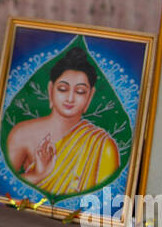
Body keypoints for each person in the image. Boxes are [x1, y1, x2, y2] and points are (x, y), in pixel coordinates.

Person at [7, 46, 120, 198]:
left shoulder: (103, 145)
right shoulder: (22, 133)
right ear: (50, 89)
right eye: (62, 89)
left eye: (80, 91)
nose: (70, 98)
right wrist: (39, 174)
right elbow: (2, 190)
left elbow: (106, 203)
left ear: (90, 96)